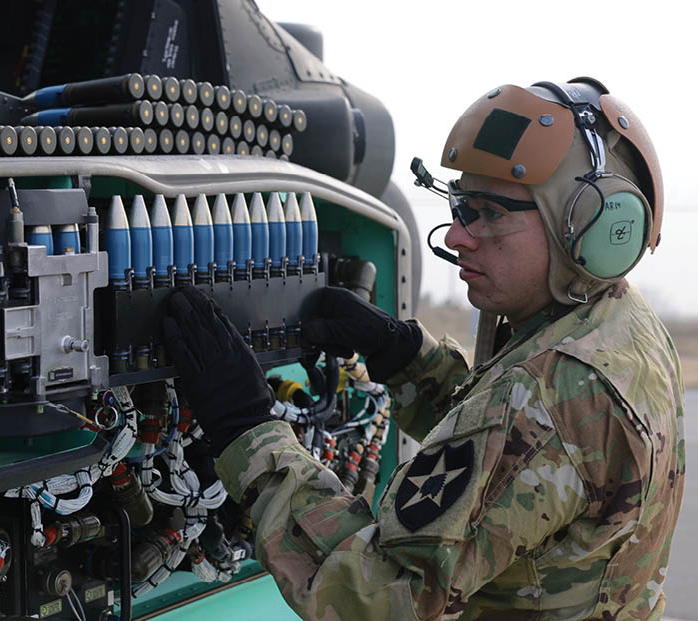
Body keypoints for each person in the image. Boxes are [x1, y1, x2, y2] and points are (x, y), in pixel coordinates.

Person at [161, 78, 685, 620]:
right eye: (459, 205)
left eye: (490, 212)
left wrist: (249, 433)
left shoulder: (543, 393)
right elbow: (518, 469)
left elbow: (372, 597)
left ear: (587, 230)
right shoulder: (621, 324)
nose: (457, 237)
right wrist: (405, 356)